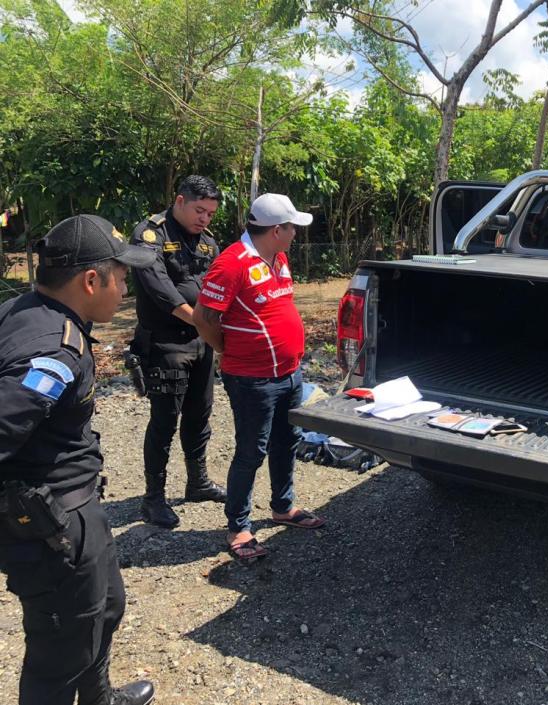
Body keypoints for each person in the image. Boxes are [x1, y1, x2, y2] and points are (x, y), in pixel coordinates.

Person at [0, 215, 157, 705]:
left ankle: (99, 698)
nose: (125, 289)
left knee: (105, 608)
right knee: (60, 653)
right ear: (91, 280)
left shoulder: (28, 310)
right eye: (121, 277)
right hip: (50, 527)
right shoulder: (53, 351)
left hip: (77, 510)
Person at [192, 193, 325, 563]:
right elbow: (203, 317)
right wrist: (226, 349)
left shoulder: (279, 257)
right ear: (276, 230)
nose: (296, 233)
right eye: (292, 227)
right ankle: (238, 527)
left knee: (287, 442)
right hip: (252, 379)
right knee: (251, 451)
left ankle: (283, 507)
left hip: (289, 373)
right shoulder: (231, 263)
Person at [130, 175, 226, 529]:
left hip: (201, 341)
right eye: (200, 210)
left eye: (210, 214)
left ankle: (197, 482)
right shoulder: (150, 234)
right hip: (166, 342)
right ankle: (153, 498)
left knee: (200, 414)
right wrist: (201, 321)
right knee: (164, 420)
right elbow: (159, 288)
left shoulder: (207, 241)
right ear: (180, 201)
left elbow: (217, 284)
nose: (204, 219)